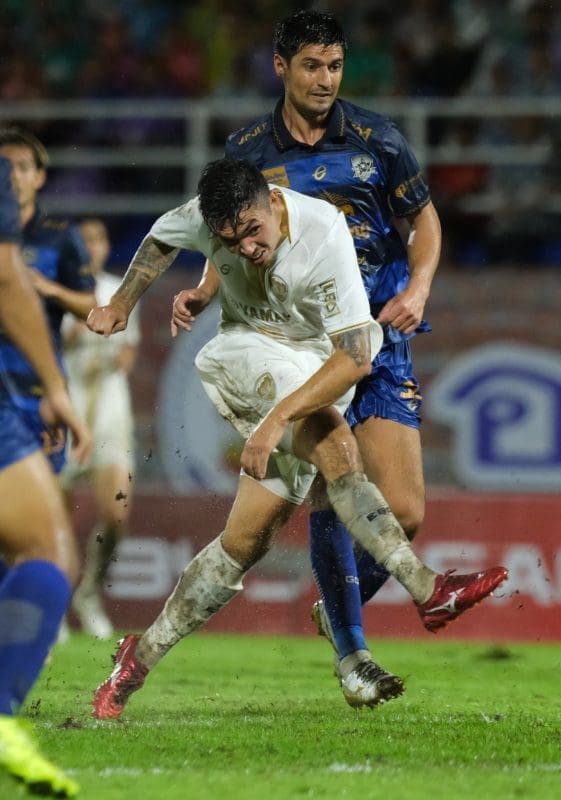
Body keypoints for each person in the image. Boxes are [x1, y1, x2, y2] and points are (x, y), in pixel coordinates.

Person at [89, 158, 507, 719]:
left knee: (243, 544)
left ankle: (135, 659)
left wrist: (276, 421)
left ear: (272, 204)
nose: (245, 250)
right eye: (229, 242)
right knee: (338, 446)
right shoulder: (214, 221)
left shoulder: (323, 234)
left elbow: (357, 357)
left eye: (253, 232)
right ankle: (427, 589)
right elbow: (162, 238)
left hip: (310, 370)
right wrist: (122, 302)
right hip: (242, 351)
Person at [172, 9, 443, 706]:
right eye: (313, 66)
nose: (325, 80)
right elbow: (225, 233)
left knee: (405, 509)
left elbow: (424, 220)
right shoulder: (248, 149)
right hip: (300, 341)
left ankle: (338, 606)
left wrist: (418, 285)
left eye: (335, 66)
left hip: (376, 330)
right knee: (332, 483)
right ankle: (354, 654)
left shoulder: (378, 140)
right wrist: (204, 291)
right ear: (281, 67)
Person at [0, 156, 89, 798]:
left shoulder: (61, 237)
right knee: (47, 552)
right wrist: (55, 386)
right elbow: (5, 280)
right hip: (15, 394)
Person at [61, 218, 140, 640]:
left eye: (98, 238)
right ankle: (53, 606)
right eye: (83, 240)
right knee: (53, 521)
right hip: (66, 408)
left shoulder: (119, 290)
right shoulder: (56, 288)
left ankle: (89, 592)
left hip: (109, 409)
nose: (91, 246)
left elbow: (128, 354)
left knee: (115, 514)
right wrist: (75, 325)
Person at [0, 127, 95, 476]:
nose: (12, 176)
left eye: (23, 167)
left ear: (39, 177)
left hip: (34, 390)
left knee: (37, 509)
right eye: (4, 167)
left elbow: (92, 309)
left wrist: (50, 290)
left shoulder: (60, 236)